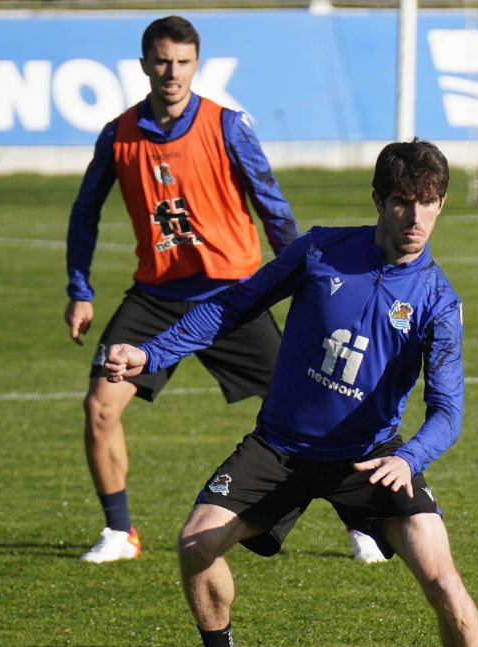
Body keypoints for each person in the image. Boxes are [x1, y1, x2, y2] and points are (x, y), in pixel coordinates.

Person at [101, 139, 478, 647]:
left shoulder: (437, 300)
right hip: (280, 450)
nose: (415, 219)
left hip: (371, 459)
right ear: (378, 200)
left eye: (429, 204)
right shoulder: (321, 249)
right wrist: (150, 353)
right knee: (194, 546)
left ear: (442, 205)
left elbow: (449, 412)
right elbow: (234, 305)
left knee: (442, 580)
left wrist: (408, 459)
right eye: (403, 202)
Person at [63, 16, 388, 565]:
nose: (172, 72)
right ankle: (120, 532)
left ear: (196, 64)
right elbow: (84, 214)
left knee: (317, 404)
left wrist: (301, 277)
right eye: (162, 61)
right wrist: (80, 288)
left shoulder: (227, 125)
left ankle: (359, 520)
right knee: (100, 405)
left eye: (183, 62)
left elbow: (272, 204)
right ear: (144, 63)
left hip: (232, 296)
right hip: (156, 297)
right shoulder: (119, 134)